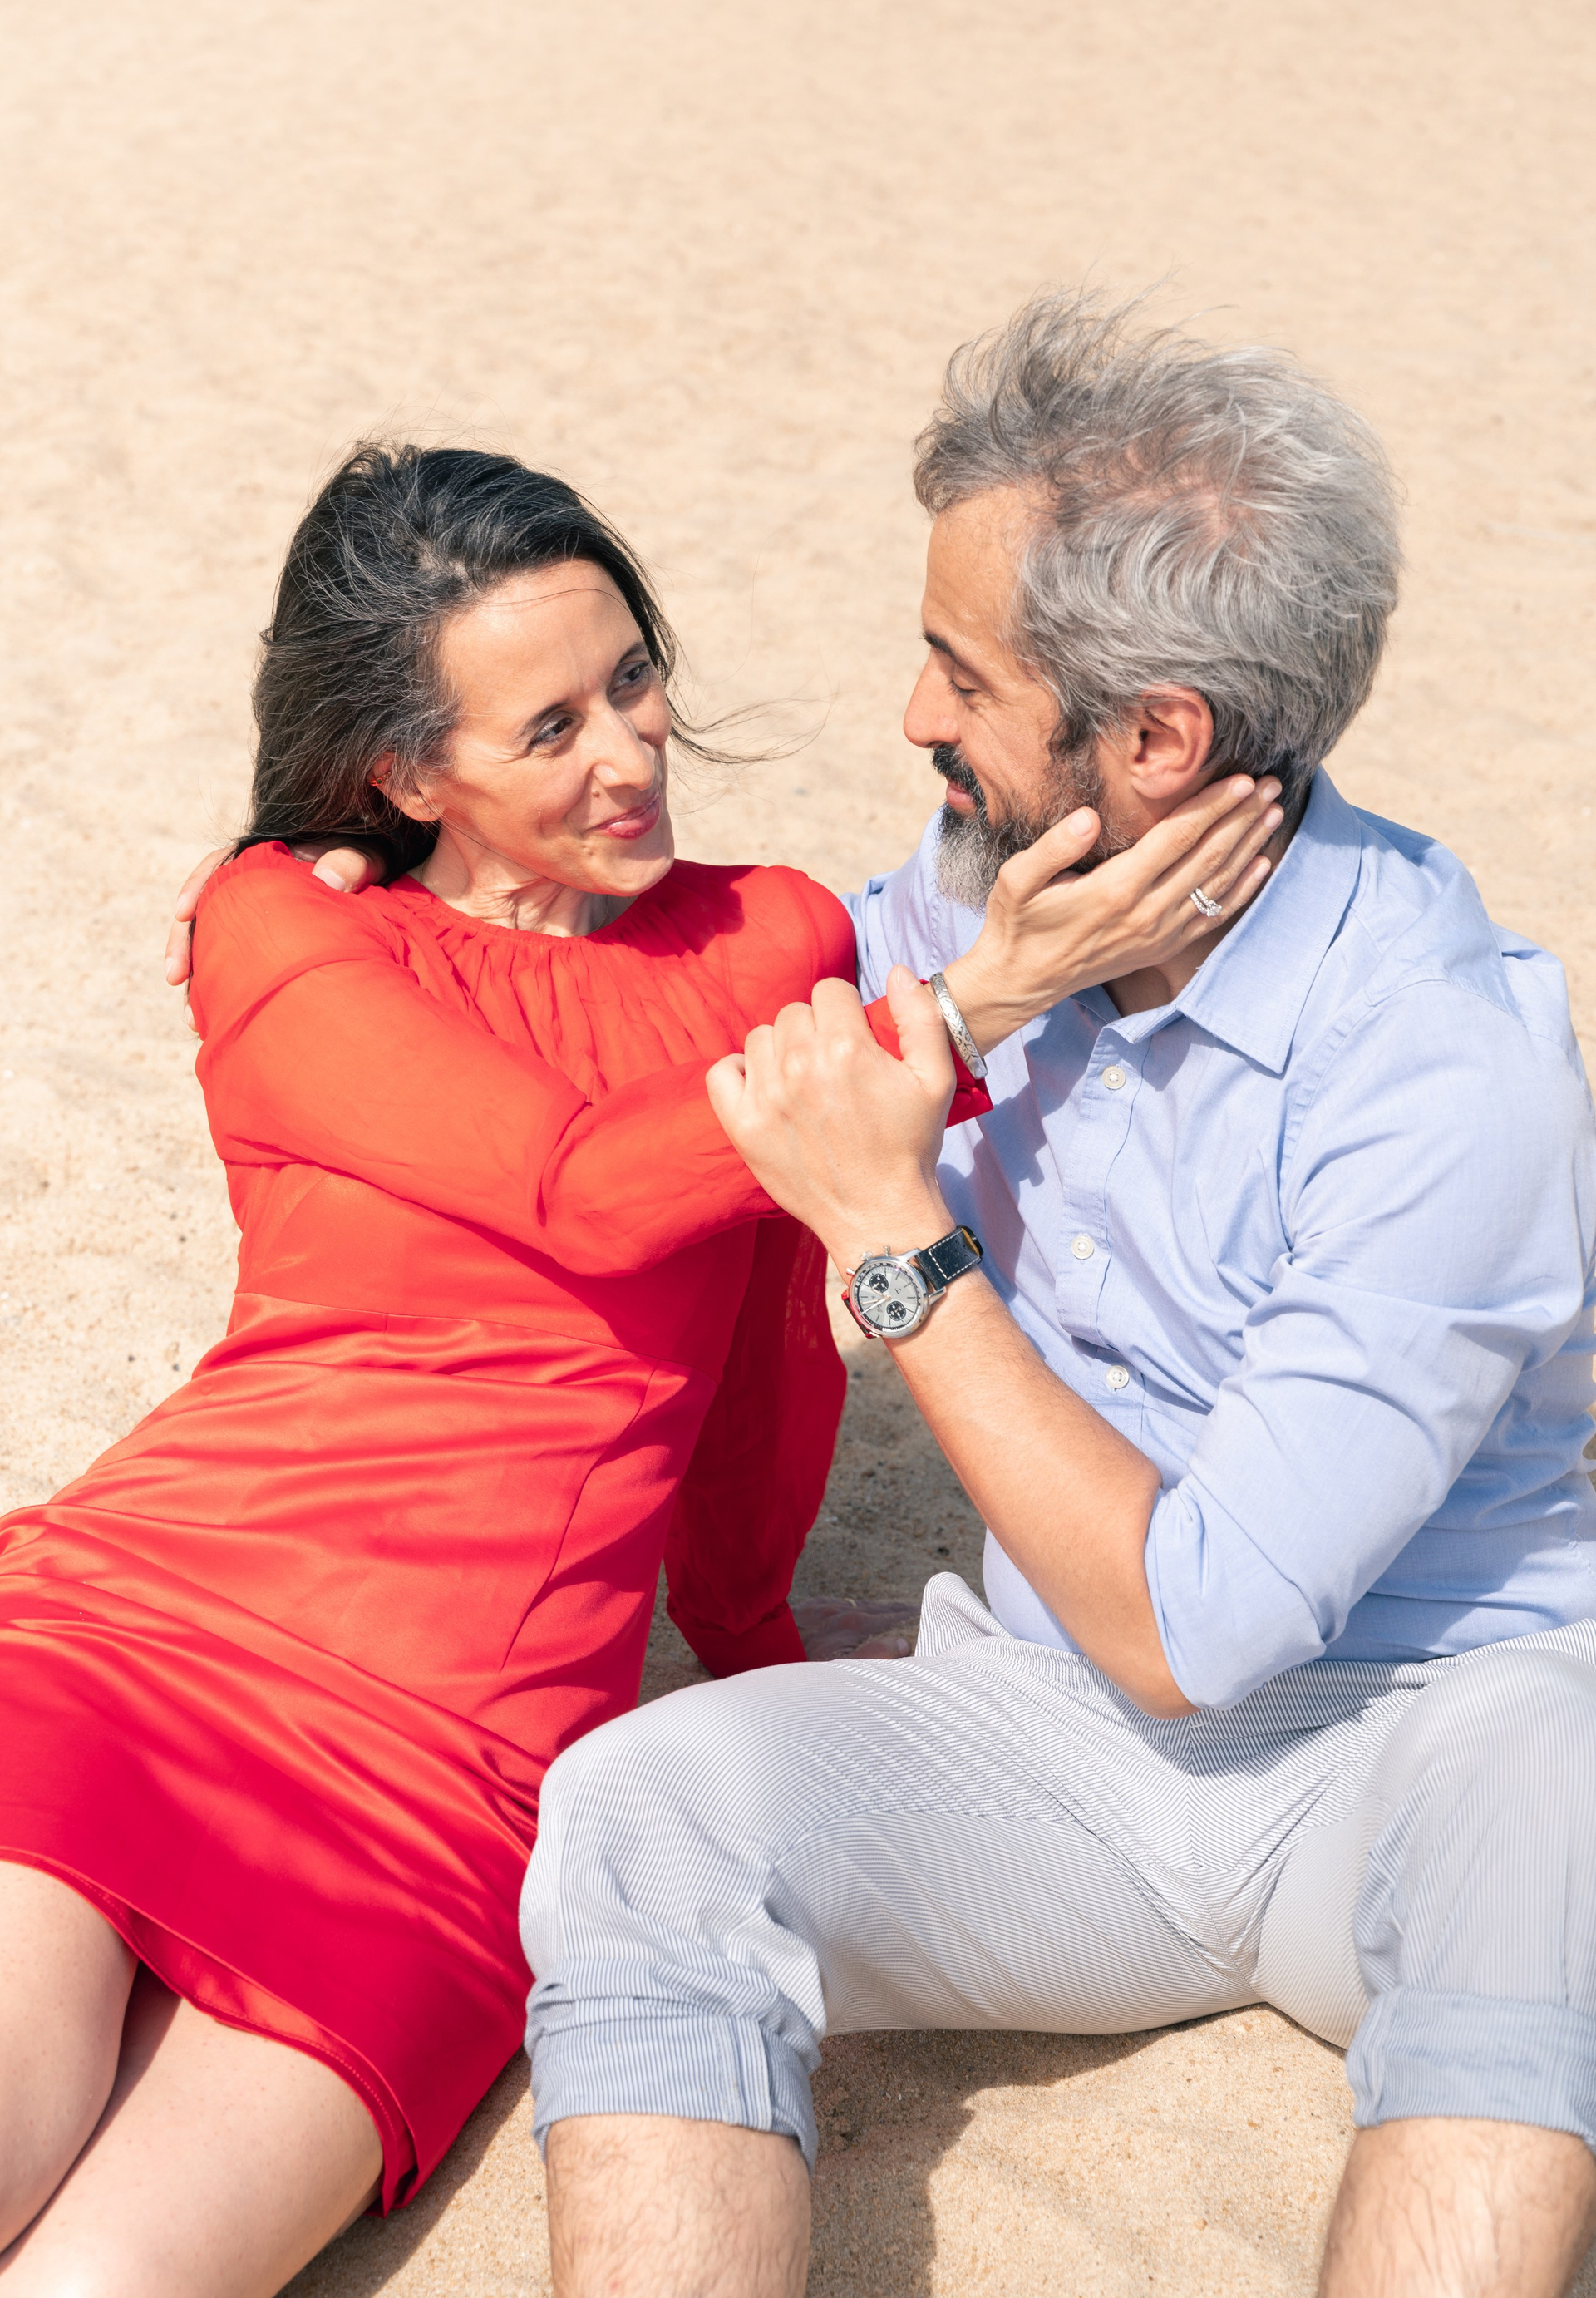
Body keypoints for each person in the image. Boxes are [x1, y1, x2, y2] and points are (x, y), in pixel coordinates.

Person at [2, 438, 1275, 2294]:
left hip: (449, 1785)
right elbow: (584, 1194)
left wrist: (753, 1633)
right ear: (404, 773)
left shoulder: (775, 941)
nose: (630, 749)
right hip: (141, 1645)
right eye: (550, 728)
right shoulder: (287, 927)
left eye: (632, 678)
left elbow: (762, 1343)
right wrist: (982, 997)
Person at [515, 294, 1596, 2298]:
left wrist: (899, 1245)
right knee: (641, 1805)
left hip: (1409, 1752)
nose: (912, 716)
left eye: (962, 672)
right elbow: (705, 1041)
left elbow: (1199, 1626)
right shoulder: (981, 895)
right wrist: (363, 856)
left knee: (1563, 1790)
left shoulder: (1448, 1062)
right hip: (1047, 1744)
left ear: (1156, 740)